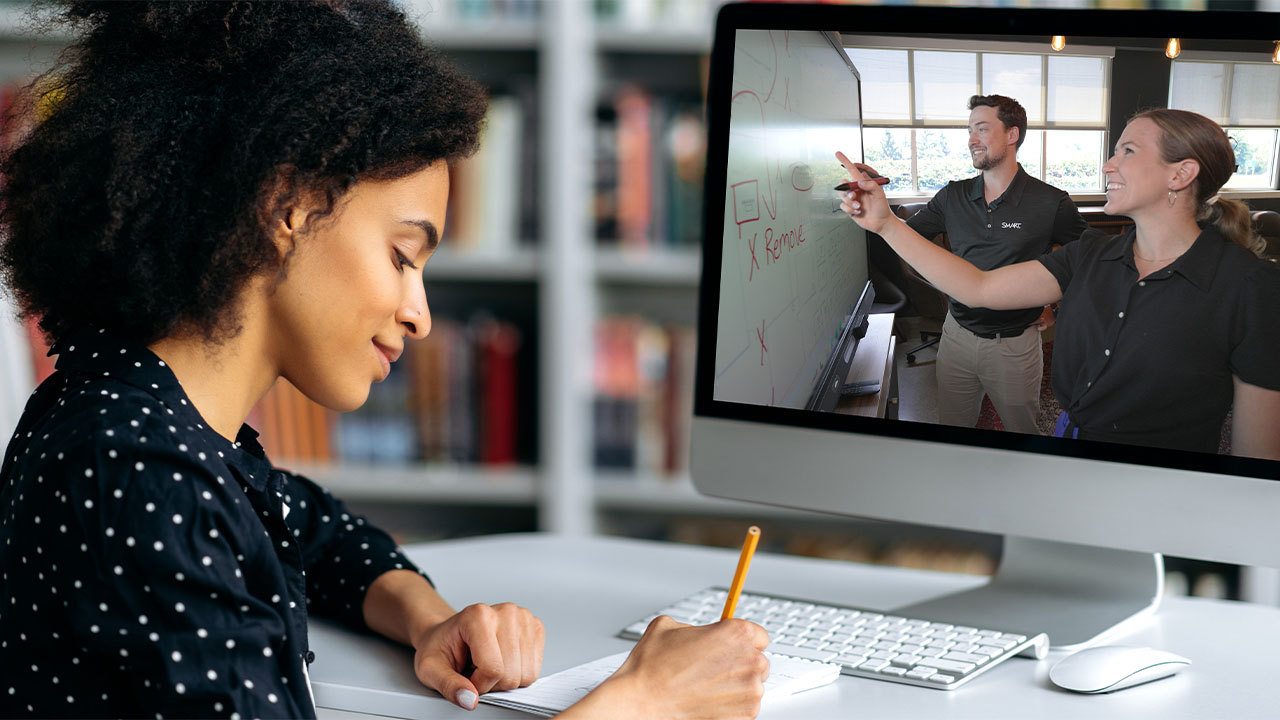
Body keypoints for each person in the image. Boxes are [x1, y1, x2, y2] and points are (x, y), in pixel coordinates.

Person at [0, 3, 770, 719]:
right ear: (289, 209)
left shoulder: (156, 419)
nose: (421, 315)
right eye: (404, 256)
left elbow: (321, 534)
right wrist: (644, 701)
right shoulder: (132, 465)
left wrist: (429, 619)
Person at [836, 108, 1280, 458]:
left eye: (1128, 151)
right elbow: (980, 288)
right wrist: (886, 224)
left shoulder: (1252, 287)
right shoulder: (1091, 254)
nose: (1108, 165)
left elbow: (1255, 456)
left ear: (1180, 174)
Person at [902, 95, 1088, 435]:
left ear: (1012, 134)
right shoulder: (952, 196)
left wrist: (1056, 306)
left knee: (1023, 433)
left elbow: (1088, 259)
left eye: (982, 129)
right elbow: (906, 239)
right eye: (970, 130)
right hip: (956, 337)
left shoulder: (1051, 202)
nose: (972, 139)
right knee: (953, 431)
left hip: (1015, 345)